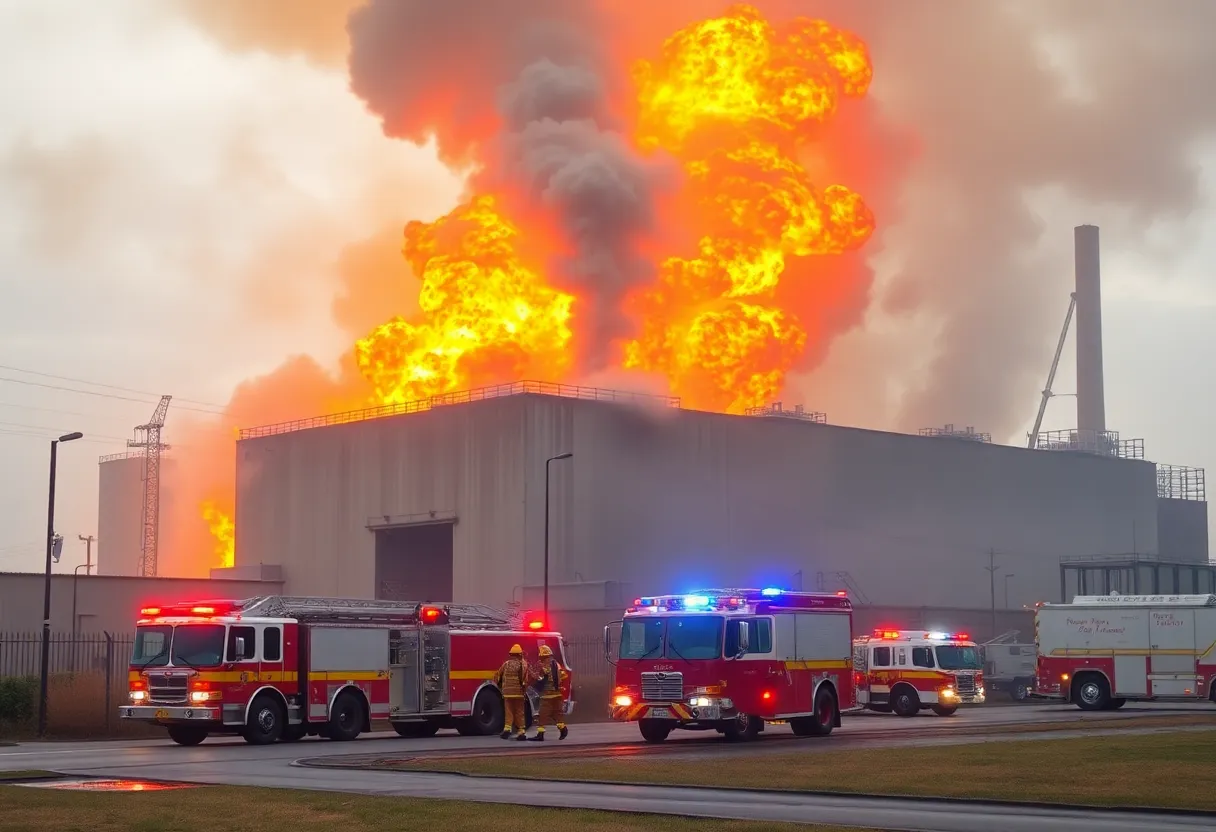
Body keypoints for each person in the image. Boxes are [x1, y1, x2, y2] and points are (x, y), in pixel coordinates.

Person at [527, 644, 568, 741]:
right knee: (556, 714)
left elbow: (540, 678)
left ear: (543, 656)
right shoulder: (556, 664)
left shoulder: (544, 665)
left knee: (542, 715)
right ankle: (563, 729)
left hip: (547, 696)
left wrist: (531, 672)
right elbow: (563, 676)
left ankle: (540, 735)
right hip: (557, 694)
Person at [496, 643, 530, 740]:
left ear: (511, 654)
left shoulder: (506, 664)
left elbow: (498, 675)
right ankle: (521, 731)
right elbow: (526, 679)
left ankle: (507, 729)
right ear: (520, 654)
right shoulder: (523, 664)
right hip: (519, 693)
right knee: (519, 711)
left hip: (507, 693)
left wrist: (501, 687)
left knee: (509, 711)